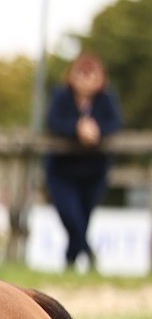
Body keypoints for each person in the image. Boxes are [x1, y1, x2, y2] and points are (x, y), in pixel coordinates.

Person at [45, 52, 122, 273]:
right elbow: (53, 121)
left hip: (93, 171)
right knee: (71, 215)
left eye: (92, 75)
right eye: (82, 74)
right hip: (63, 171)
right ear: (72, 76)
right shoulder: (61, 96)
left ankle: (71, 259)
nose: (87, 80)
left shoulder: (106, 98)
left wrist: (97, 131)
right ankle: (87, 253)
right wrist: (77, 129)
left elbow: (116, 123)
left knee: (83, 217)